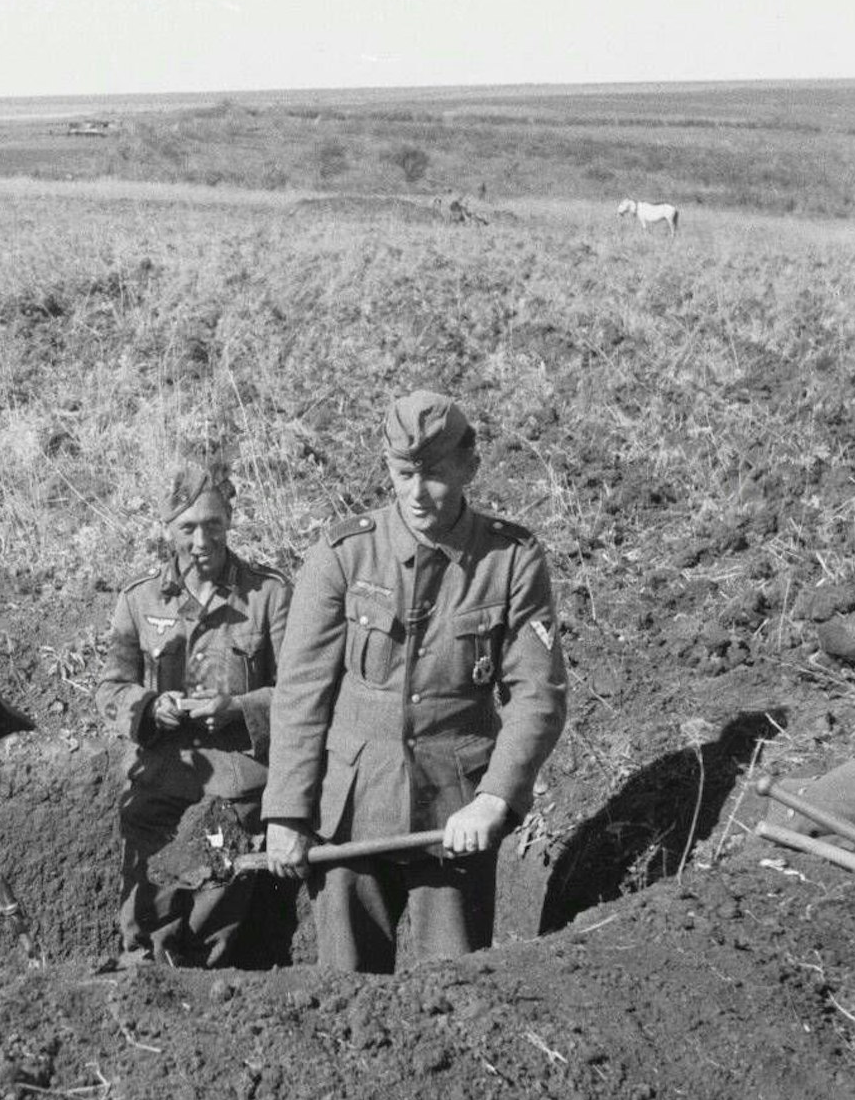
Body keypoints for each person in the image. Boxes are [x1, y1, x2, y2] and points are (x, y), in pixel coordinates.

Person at [263, 392, 568, 973]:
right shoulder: (343, 554)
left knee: (455, 994)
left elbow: (538, 694)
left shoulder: (510, 559)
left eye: (434, 476)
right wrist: (286, 814)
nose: (416, 494)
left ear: (469, 468)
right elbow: (301, 693)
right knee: (344, 993)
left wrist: (493, 799)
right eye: (403, 475)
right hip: (351, 813)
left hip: (455, 816)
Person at [95, 463, 292, 966]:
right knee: (147, 914)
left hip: (233, 790)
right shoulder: (139, 600)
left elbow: (300, 692)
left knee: (215, 913)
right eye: (187, 528)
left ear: (229, 522)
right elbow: (111, 688)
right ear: (168, 529)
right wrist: (147, 707)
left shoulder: (268, 596)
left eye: (213, 525)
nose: (201, 539)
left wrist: (239, 709)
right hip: (159, 785)